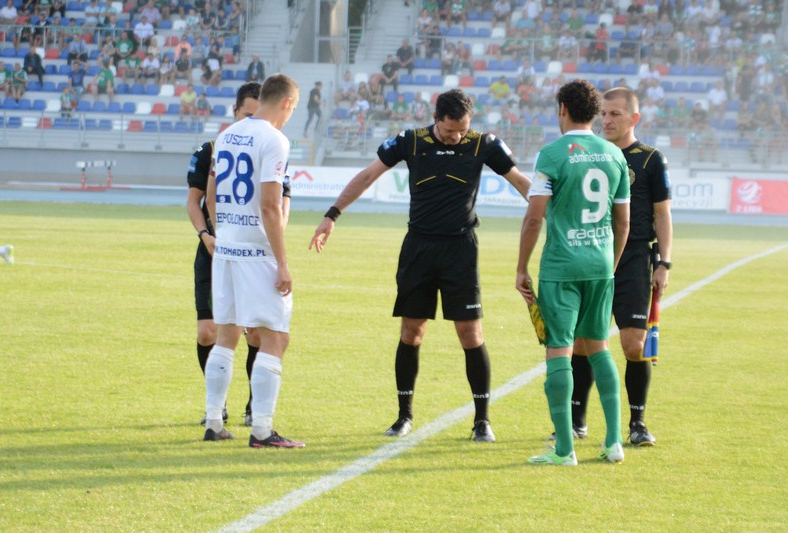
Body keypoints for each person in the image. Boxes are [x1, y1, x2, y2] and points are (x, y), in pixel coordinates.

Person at [309, 88, 532, 443]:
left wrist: (554, 212)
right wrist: (332, 214)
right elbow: (368, 176)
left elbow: (521, 182)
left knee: (471, 334)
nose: (456, 137)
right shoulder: (410, 142)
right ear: (436, 118)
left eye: (462, 130)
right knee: (411, 332)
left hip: (460, 250)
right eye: (450, 131)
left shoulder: (484, 144)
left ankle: (482, 421)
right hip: (418, 248)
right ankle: (404, 416)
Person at [516, 79, 630, 466]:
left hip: (562, 266)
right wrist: (610, 265)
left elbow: (534, 218)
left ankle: (565, 449)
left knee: (559, 351)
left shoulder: (551, 154)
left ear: (562, 109)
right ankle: (613, 442)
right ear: (595, 112)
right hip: (600, 265)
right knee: (599, 348)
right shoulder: (614, 154)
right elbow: (623, 222)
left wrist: (521, 268)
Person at [565, 86, 672, 449]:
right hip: (593, 253)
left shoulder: (651, 159)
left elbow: (662, 214)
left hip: (635, 258)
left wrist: (664, 262)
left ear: (634, 118)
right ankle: (576, 421)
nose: (607, 121)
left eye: (615, 114)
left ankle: (637, 423)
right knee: (582, 342)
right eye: (604, 114)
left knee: (633, 344)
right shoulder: (590, 153)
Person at [202, 74, 303, 447]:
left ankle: (214, 421)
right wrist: (282, 262)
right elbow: (270, 206)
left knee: (226, 334)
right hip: (257, 252)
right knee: (276, 337)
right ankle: (261, 430)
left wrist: (224, 233)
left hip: (226, 249)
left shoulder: (227, 134)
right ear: (287, 103)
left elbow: (211, 196)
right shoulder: (275, 140)